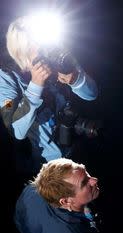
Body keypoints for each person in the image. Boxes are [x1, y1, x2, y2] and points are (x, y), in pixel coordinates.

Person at [0, 15, 98, 174]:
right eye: (34, 41)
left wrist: (75, 79)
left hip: (81, 145)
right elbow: (16, 129)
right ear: (22, 46)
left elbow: (92, 93)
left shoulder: (57, 54)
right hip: (49, 166)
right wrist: (35, 85)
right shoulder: (6, 77)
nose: (43, 48)